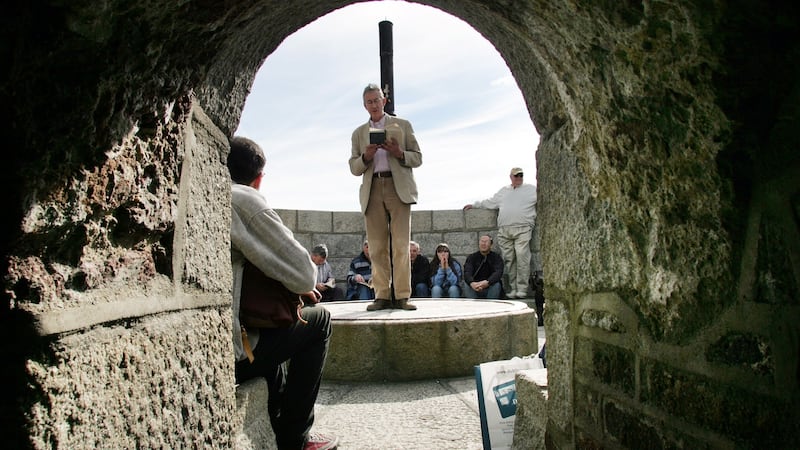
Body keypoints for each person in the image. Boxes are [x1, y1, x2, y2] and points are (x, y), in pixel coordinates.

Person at [227, 136, 338, 450]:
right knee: (318, 323)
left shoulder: (210, 194)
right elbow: (305, 273)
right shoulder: (243, 199)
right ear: (259, 178)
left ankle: (279, 430)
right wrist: (300, 289)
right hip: (238, 351)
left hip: (236, 341)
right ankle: (296, 438)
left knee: (273, 335)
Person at [349, 83, 423, 311]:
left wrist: (398, 153)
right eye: (369, 101)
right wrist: (366, 156)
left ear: (384, 101)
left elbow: (418, 157)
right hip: (372, 189)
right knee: (377, 246)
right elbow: (354, 167)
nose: (373, 104)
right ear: (364, 106)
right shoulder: (359, 133)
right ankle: (381, 294)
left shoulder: (402, 125)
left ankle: (402, 295)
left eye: (376, 100)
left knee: (401, 245)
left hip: (397, 186)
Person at [463, 167, 536, 298]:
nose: (518, 178)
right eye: (516, 176)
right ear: (511, 177)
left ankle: (522, 288)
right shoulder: (504, 191)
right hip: (504, 230)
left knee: (522, 257)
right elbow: (491, 202)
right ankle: (513, 288)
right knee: (509, 260)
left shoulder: (531, 190)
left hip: (523, 228)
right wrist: (475, 205)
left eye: (521, 175)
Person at [463, 235, 505, 299]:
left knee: (496, 285)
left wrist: (487, 282)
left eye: (486, 242)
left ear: (491, 245)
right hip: (475, 287)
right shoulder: (472, 257)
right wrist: (472, 283)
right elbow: (467, 272)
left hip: (489, 286)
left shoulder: (496, 257)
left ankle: (490, 307)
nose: (483, 244)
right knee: (466, 285)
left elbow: (498, 272)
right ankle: (473, 307)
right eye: (482, 241)